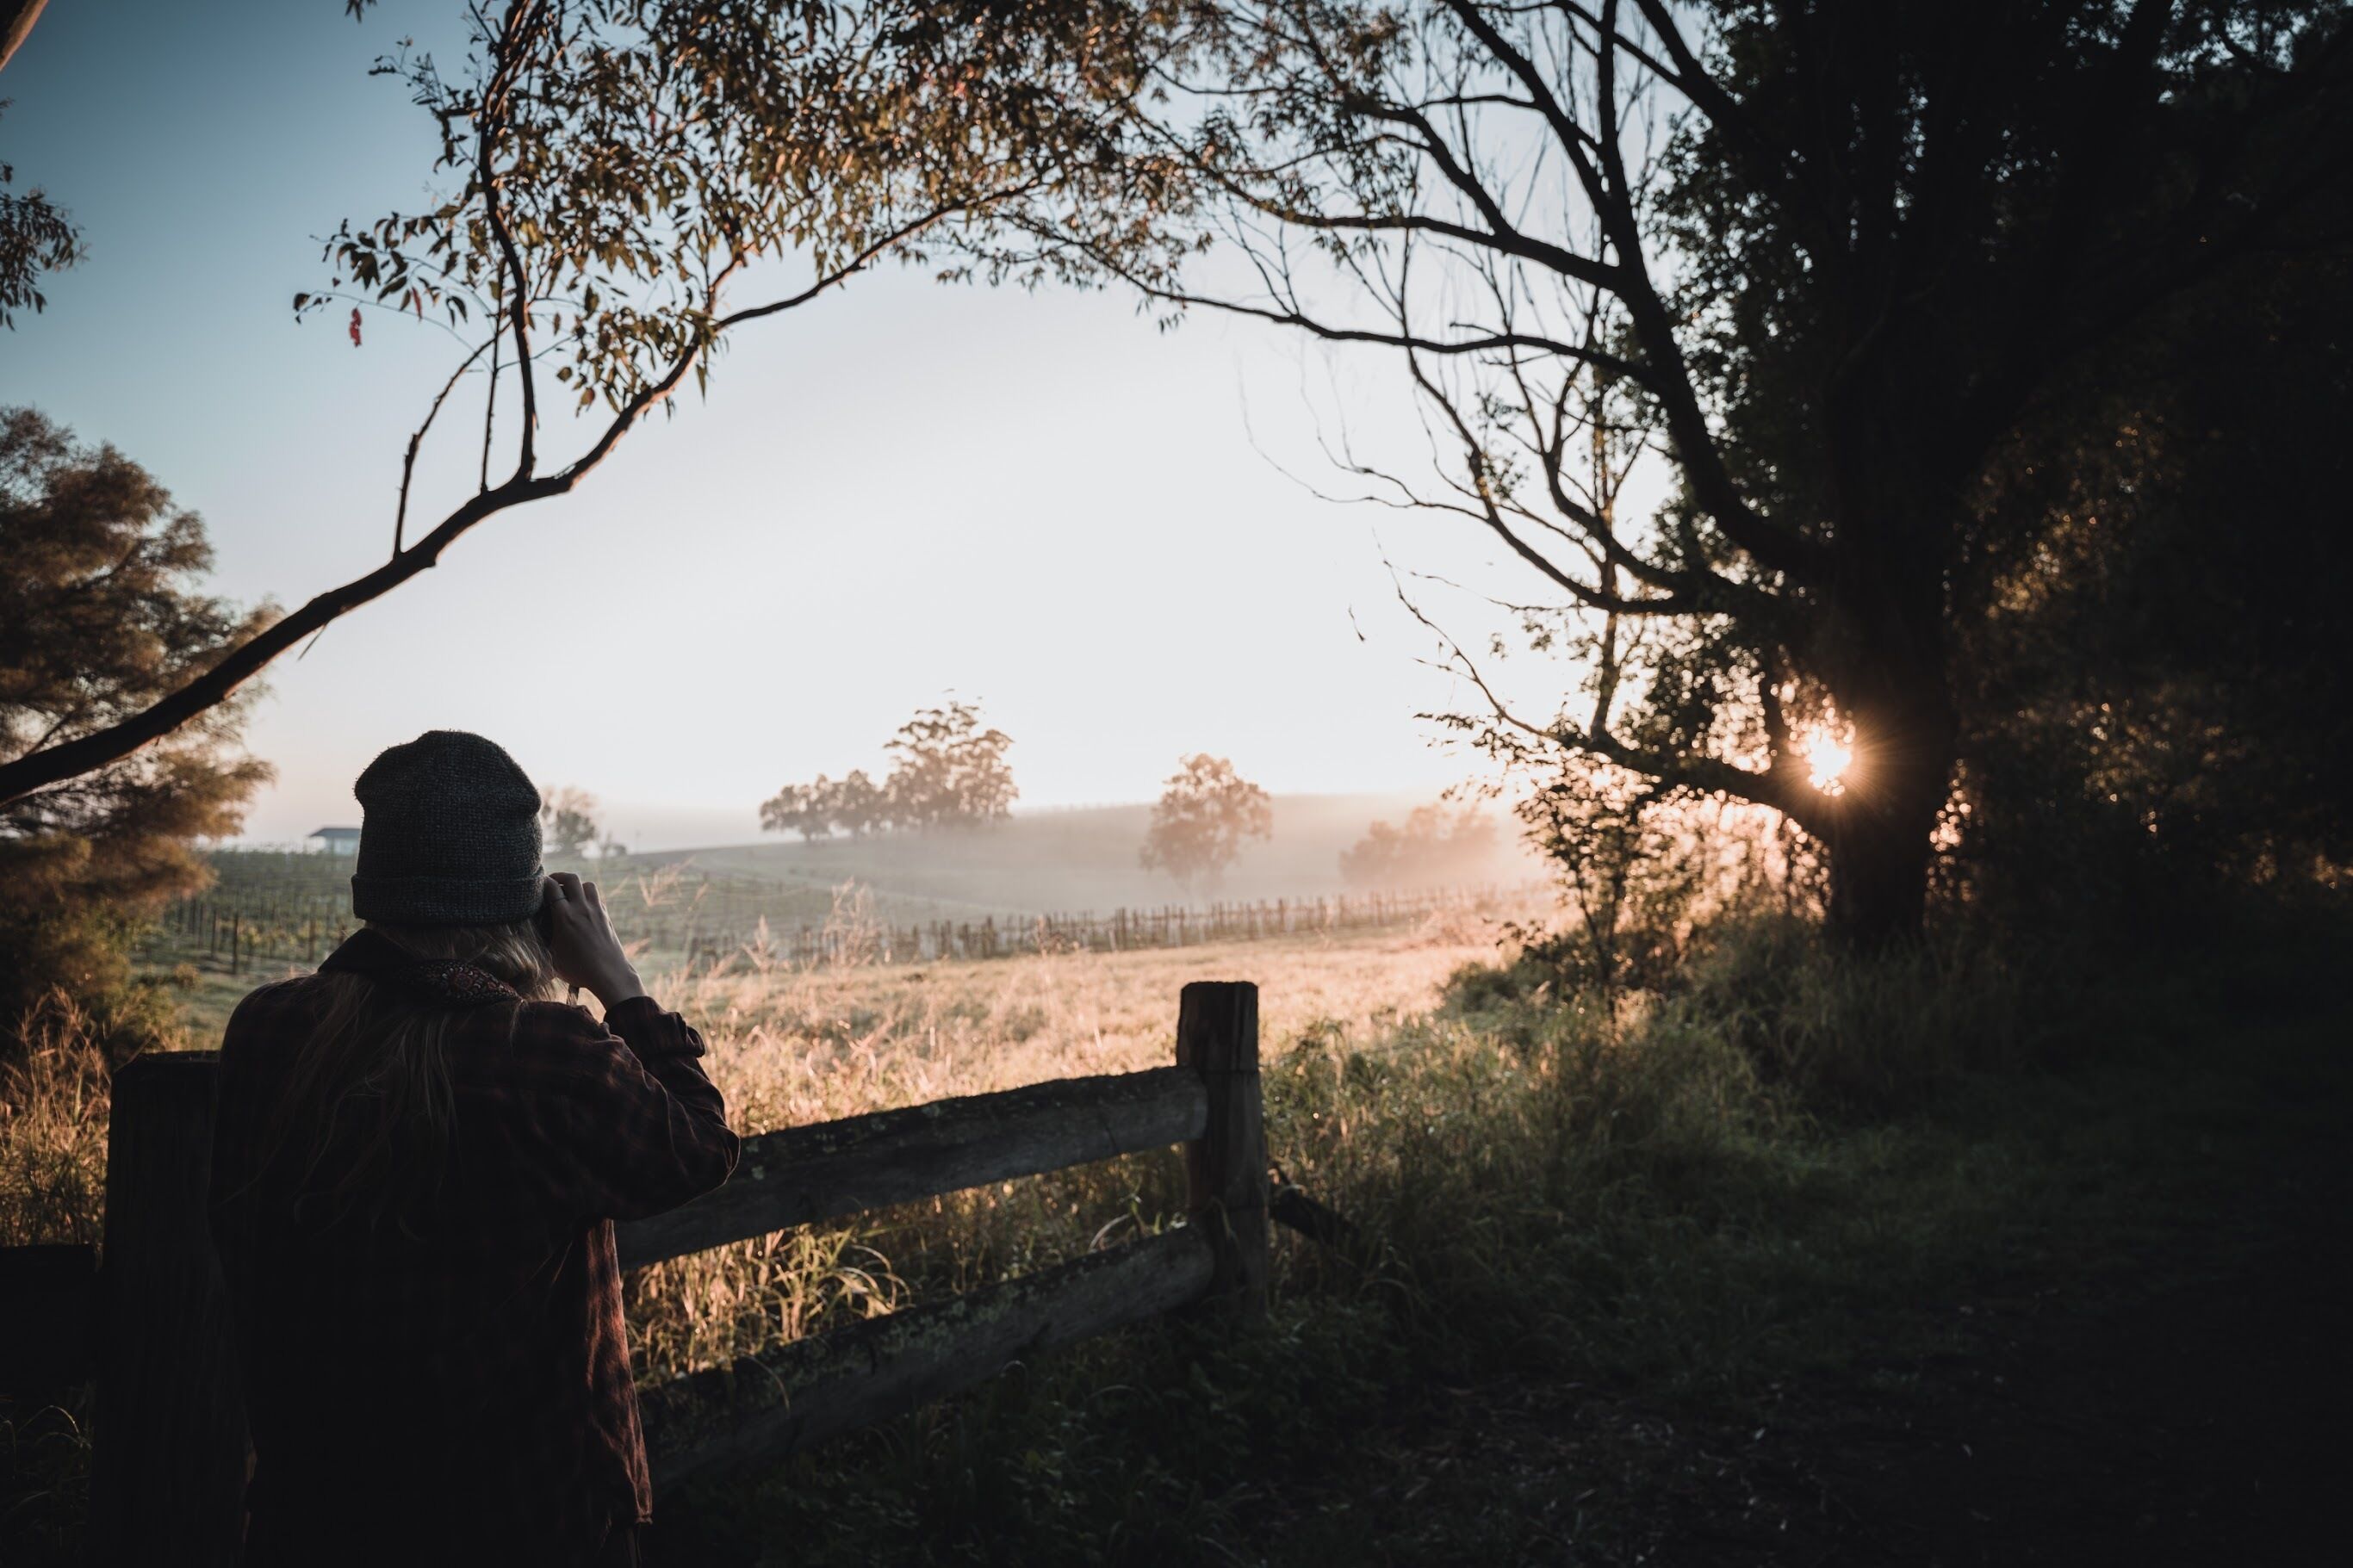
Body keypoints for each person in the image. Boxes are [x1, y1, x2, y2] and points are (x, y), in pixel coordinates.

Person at [208, 730, 740, 1566]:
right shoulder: (545, 1052)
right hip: (524, 1521)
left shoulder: (268, 1029)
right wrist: (621, 990)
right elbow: (697, 1150)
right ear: (527, 908)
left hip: (315, 1521)